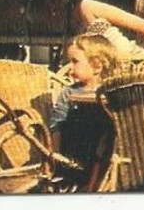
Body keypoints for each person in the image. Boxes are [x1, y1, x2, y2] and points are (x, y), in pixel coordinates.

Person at [49, 34, 122, 181]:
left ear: (97, 66)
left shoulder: (111, 92)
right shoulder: (69, 92)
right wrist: (56, 155)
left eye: (75, 61)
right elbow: (57, 124)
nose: (70, 67)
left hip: (104, 154)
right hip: (73, 152)